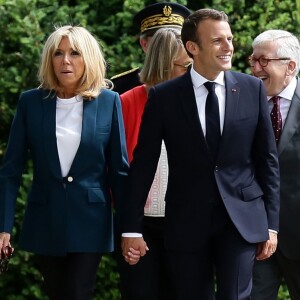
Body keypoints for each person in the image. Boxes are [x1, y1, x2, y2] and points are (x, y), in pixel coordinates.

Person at [120, 8, 280, 300]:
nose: (229, 47)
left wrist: (271, 224)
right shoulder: (164, 96)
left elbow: (266, 160)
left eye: (229, 38)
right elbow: (143, 164)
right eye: (218, 40)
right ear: (192, 47)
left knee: (234, 296)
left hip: (241, 219)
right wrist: (131, 228)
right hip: (185, 219)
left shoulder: (252, 88)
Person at [0, 25, 131, 300]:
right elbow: (11, 171)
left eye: (74, 53)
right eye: (58, 54)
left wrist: (131, 228)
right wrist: (3, 227)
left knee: (78, 291)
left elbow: (119, 170)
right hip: (45, 217)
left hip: (91, 220)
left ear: (89, 59)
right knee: (57, 292)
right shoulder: (30, 103)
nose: (65, 61)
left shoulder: (109, 102)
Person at [118, 27, 192, 300]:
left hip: (184, 221)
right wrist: (128, 224)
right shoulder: (126, 101)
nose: (192, 71)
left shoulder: (196, 100)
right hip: (141, 224)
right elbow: (117, 166)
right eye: (186, 65)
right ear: (163, 63)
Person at [249, 29, 300, 300]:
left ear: (290, 66)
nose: (256, 69)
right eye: (253, 61)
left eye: (264, 61)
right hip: (255, 236)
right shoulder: (242, 102)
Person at [111, 2, 191, 94]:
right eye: (160, 41)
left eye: (178, 38)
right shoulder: (122, 87)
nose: (172, 45)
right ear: (144, 44)